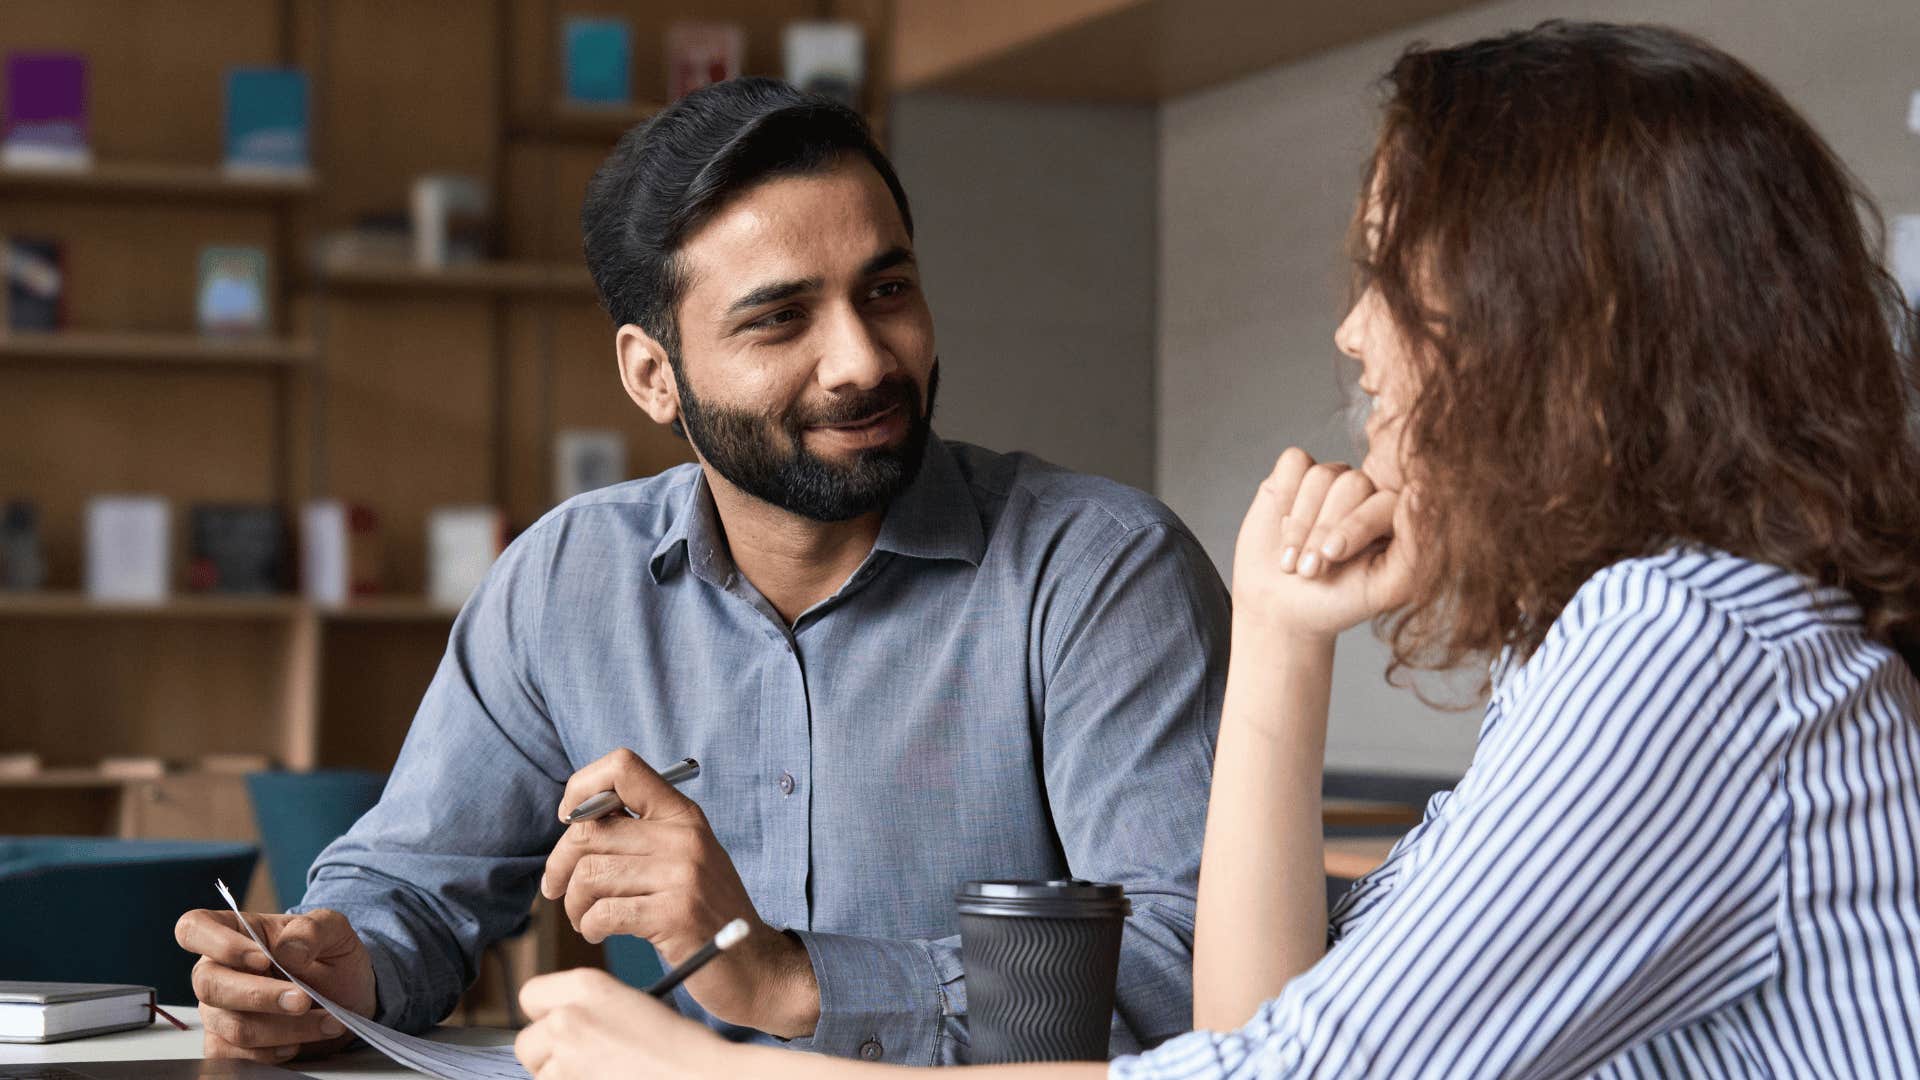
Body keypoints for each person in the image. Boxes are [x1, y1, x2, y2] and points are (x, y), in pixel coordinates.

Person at [508, 20, 1920, 1080]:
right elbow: (1262, 1031)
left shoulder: (1686, 649)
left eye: (1390, 276)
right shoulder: (1672, 637)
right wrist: (1284, 641)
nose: (1353, 336)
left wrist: (729, 1072)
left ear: (1548, 317)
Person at [173, 78, 1230, 1066]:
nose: (863, 359)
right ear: (653, 375)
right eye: (780, 318)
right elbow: (411, 879)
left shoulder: (1101, 570)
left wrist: (792, 981)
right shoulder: (567, 581)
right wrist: (334, 964)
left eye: (889, 288)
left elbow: (1203, 976)